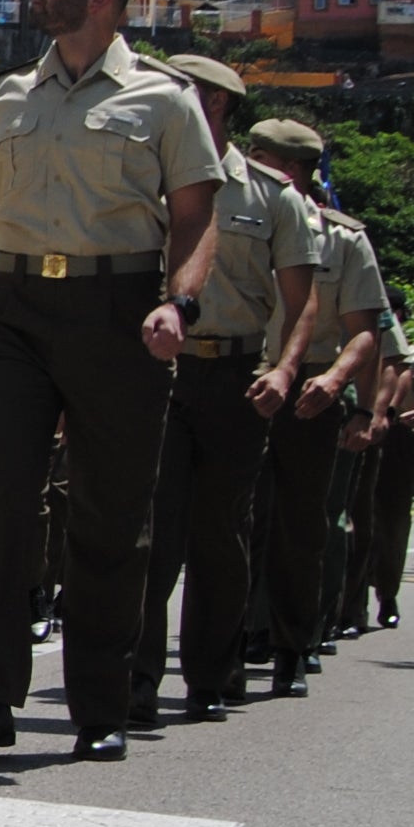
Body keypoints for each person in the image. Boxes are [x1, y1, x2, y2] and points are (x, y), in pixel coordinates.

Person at [0, 0, 218, 761]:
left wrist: (179, 302)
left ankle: (101, 704)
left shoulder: (164, 100)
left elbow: (197, 216)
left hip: (117, 306)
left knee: (110, 518)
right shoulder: (9, 96)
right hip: (13, 306)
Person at [131, 56, 311, 722]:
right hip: (160, 370)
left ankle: (210, 673)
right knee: (152, 532)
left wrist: (285, 367)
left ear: (211, 104)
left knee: (220, 534)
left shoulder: (271, 195)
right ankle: (137, 680)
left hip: (237, 377)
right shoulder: (146, 177)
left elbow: (301, 300)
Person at [232, 117, 388, 694]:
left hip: (310, 391)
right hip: (244, 376)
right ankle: (238, 635)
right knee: (235, 519)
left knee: (301, 525)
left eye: (262, 157)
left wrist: (338, 382)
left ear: (294, 169)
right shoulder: (236, 215)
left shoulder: (341, 240)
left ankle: (293, 646)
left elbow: (365, 330)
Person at [362, 335, 414, 627]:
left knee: (392, 523)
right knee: (355, 520)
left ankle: (388, 594)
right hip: (359, 426)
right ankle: (351, 603)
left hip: (399, 436)